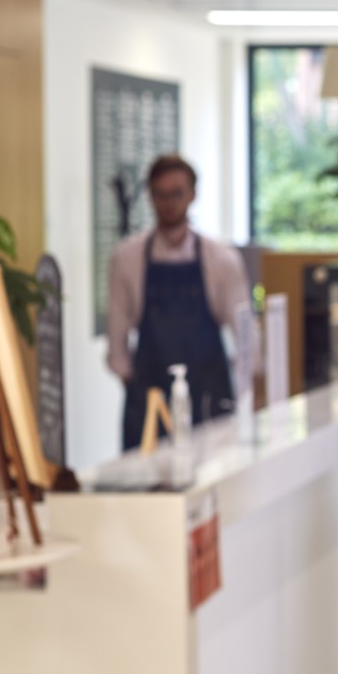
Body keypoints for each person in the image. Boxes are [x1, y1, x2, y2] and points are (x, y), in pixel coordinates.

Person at [105, 154, 252, 452]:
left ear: (192, 195)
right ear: (150, 196)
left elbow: (246, 336)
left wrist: (251, 394)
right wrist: (134, 387)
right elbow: (117, 335)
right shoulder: (127, 258)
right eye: (160, 194)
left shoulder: (221, 259)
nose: (168, 202)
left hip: (210, 399)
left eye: (176, 194)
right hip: (148, 401)